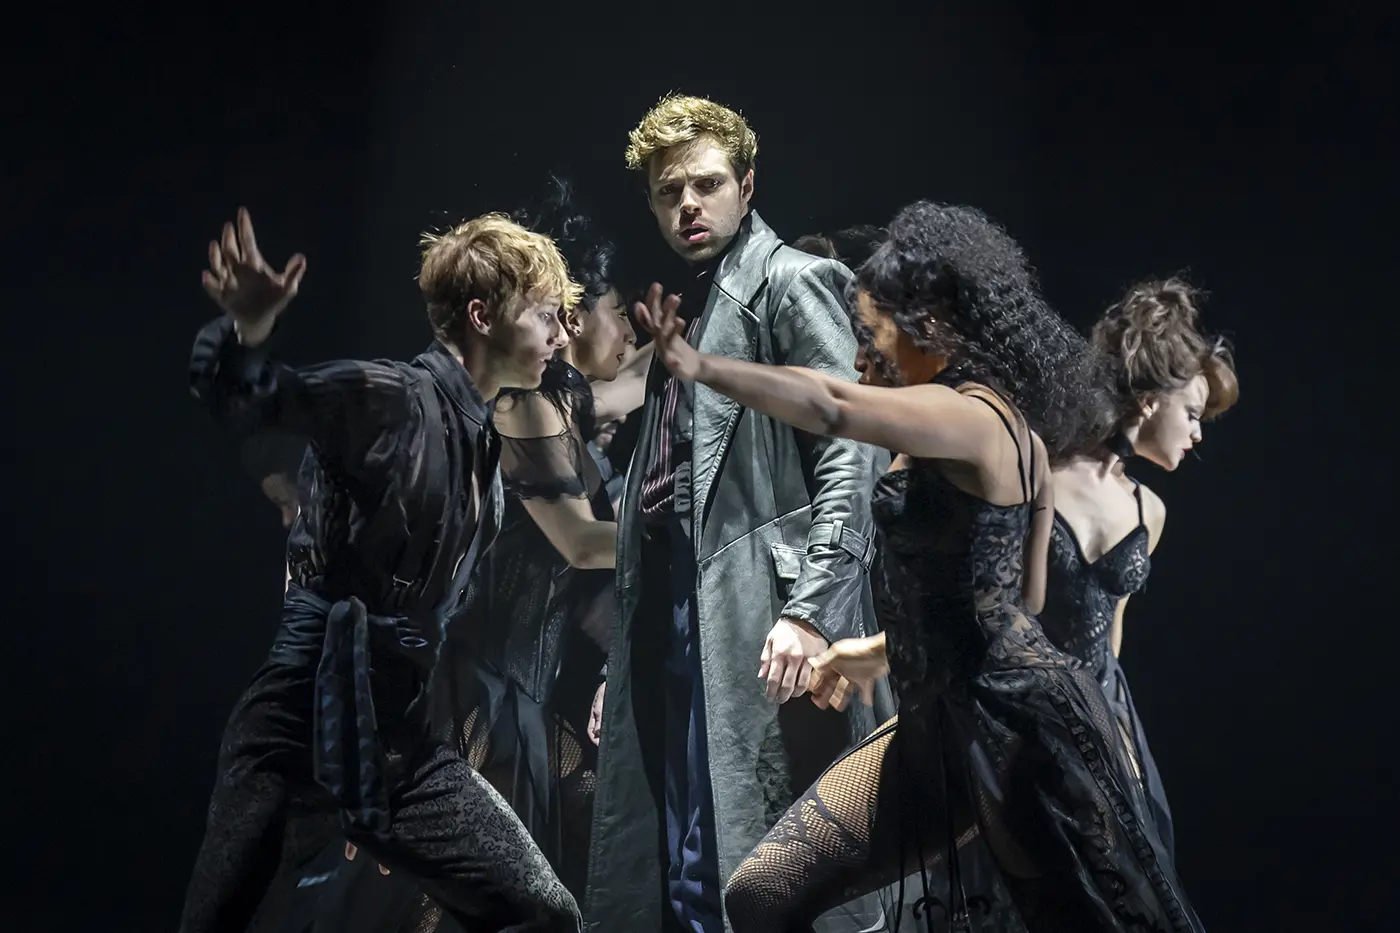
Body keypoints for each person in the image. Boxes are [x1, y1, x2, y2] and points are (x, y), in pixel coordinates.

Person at [638, 200, 1204, 932]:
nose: (865, 355)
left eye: (874, 334)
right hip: (949, 716)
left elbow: (834, 405)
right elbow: (1023, 597)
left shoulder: (971, 417)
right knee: (760, 893)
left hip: (1005, 735)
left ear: (930, 322)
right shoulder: (1014, 433)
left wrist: (697, 364)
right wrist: (881, 652)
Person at [179, 207, 582, 933]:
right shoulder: (395, 395)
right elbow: (248, 395)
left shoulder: (482, 439)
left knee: (542, 913)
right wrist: (249, 331)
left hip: (396, 735)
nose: (560, 332)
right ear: (482, 314)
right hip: (299, 713)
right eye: (545, 314)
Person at [586, 93, 891, 933]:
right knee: (691, 852)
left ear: (746, 185)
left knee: (779, 857)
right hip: (686, 614)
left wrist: (811, 606)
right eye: (668, 191)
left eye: (707, 183)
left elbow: (852, 447)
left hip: (765, 610)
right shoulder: (696, 305)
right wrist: (628, 650)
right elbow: (663, 498)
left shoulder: (791, 280)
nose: (687, 204)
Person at [1041, 277, 1238, 861]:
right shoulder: (1039, 474)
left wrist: (1113, 729)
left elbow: (1112, 636)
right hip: (1025, 704)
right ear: (1151, 400)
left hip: (1102, 712)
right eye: (1194, 413)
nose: (1198, 434)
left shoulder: (1148, 510)